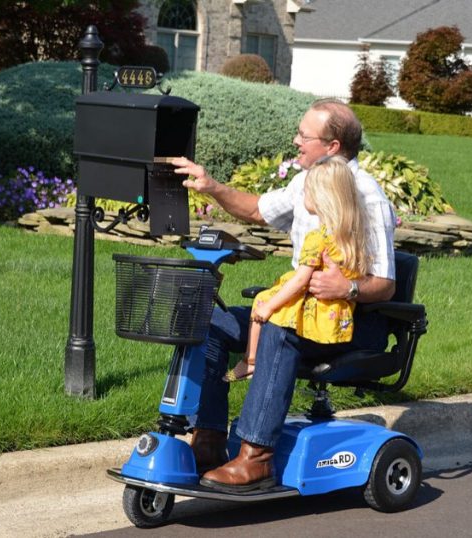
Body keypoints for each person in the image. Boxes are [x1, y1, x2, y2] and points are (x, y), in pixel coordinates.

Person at [170, 98, 397, 493]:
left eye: (304, 136)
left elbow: (386, 284)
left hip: (349, 322)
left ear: (333, 146)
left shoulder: (365, 195)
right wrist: (211, 187)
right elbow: (259, 210)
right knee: (211, 324)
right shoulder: (306, 180)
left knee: (278, 326)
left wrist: (349, 287)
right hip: (302, 308)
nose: (295, 141)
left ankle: (255, 457)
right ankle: (208, 442)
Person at [226, 156, 371, 383]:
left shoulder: (318, 238)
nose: (304, 197)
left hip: (312, 313)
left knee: (262, 301)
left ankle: (250, 361)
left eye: (307, 192)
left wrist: (270, 307)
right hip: (337, 318)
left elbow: (301, 280)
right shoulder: (353, 236)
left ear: (322, 199)